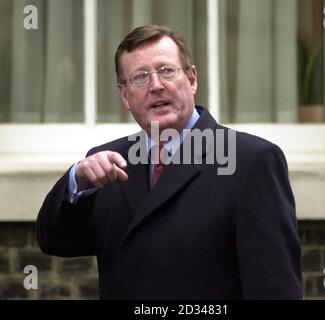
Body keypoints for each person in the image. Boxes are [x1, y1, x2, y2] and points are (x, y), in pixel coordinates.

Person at [37, 25, 302, 299]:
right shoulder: (106, 164)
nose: (156, 85)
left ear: (192, 79)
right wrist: (77, 180)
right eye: (140, 77)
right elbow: (55, 241)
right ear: (125, 95)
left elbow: (274, 286)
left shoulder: (250, 160)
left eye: (166, 71)